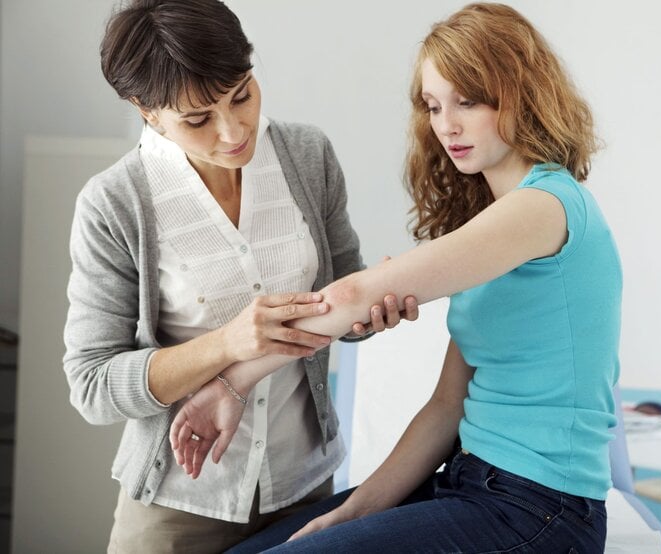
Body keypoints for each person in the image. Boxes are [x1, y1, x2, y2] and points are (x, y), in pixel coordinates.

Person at [173, 2, 623, 553]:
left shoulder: (546, 207)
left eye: (468, 101)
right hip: (468, 483)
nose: (446, 126)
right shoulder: (492, 235)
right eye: (433, 106)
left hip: (542, 510)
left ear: (522, 92)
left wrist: (234, 380)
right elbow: (445, 408)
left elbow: (357, 294)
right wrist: (353, 512)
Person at [61, 1, 418, 553]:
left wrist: (371, 308)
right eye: (198, 119)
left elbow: (344, 302)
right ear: (145, 109)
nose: (233, 132)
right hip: (179, 504)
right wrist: (228, 342)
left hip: (304, 486)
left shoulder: (307, 156)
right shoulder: (115, 204)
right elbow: (93, 387)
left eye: (242, 95)